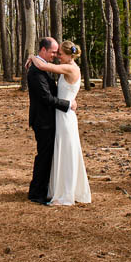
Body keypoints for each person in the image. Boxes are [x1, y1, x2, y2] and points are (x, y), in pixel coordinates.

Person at [29, 40, 91, 206]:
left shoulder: (70, 67)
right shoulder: (68, 67)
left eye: (60, 54)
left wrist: (31, 56)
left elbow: (44, 67)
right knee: (59, 151)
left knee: (65, 151)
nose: (57, 57)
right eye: (55, 53)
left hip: (65, 116)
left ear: (69, 56)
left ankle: (66, 192)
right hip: (59, 114)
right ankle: (56, 187)